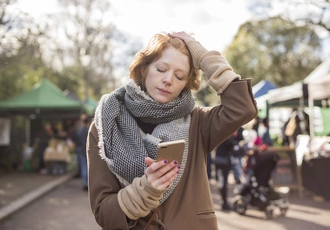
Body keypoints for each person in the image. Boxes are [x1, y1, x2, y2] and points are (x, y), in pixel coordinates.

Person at [87, 31, 257, 229]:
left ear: (186, 83)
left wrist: (202, 56)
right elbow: (103, 213)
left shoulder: (199, 122)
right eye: (161, 69)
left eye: (179, 76)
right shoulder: (106, 123)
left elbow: (243, 108)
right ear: (143, 69)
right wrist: (145, 191)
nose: (168, 80)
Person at [214, 135, 234, 210]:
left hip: (218, 159)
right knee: (224, 182)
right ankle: (224, 202)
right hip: (224, 161)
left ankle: (223, 200)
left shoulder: (219, 134)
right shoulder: (228, 136)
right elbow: (232, 147)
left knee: (221, 181)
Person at [73, 116, 91, 191]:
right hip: (87, 150)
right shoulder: (89, 131)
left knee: (83, 166)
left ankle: (84, 183)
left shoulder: (79, 131)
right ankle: (88, 183)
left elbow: (76, 140)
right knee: (88, 167)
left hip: (81, 150)